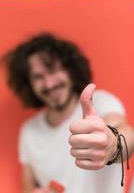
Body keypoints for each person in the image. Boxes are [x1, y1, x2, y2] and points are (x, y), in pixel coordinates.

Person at [6, 33, 134, 193]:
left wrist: (112, 146)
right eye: (38, 77)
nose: (49, 84)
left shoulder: (100, 102)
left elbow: (127, 134)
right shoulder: (29, 130)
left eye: (53, 70)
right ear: (28, 84)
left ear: (70, 70)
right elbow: (28, 187)